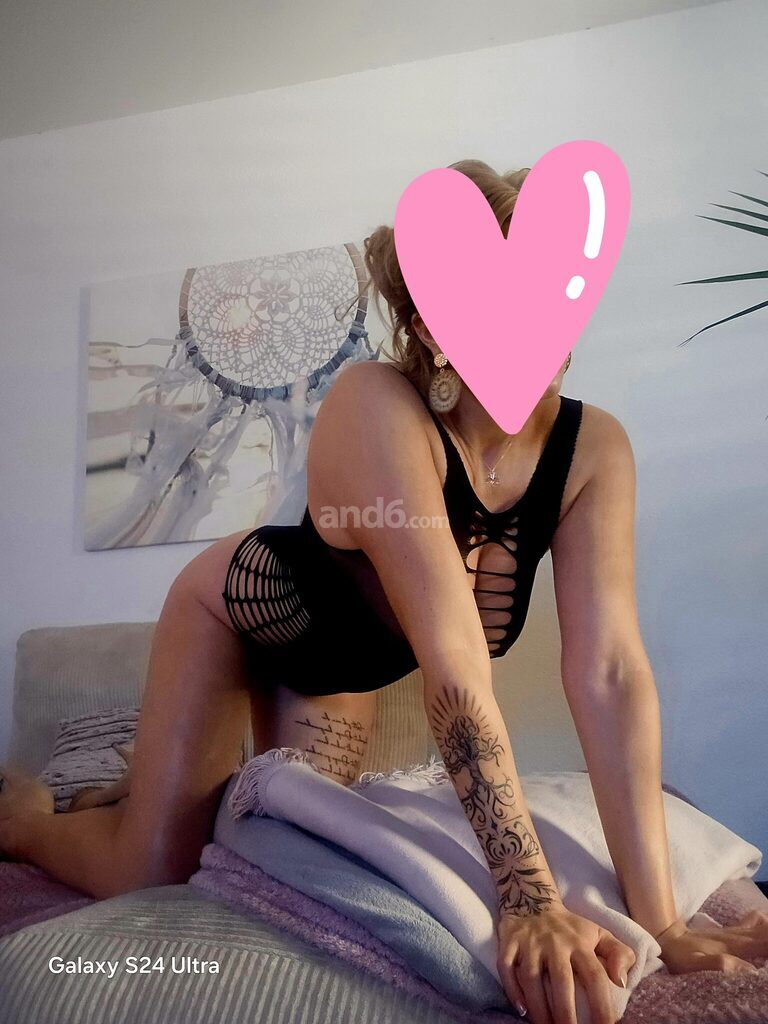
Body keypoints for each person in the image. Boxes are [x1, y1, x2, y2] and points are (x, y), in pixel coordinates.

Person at [1, 159, 765, 1024]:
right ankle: (27, 815)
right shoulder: (375, 404)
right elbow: (454, 659)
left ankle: (130, 787)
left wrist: (662, 921)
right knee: (152, 868)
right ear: (434, 327)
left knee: (270, 841)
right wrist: (528, 901)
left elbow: (612, 674)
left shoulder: (596, 451)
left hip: (344, 667)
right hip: (248, 614)